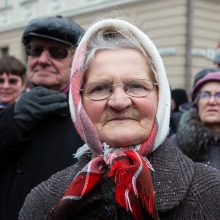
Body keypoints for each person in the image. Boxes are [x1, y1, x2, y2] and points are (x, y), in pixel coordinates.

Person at [19, 18, 220, 220]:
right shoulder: (42, 201)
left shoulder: (211, 193)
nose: (119, 101)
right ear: (79, 102)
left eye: (136, 86)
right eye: (100, 88)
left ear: (160, 97)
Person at [0, 15, 84, 220]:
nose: (43, 60)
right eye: (36, 50)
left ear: (76, 61)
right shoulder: (12, 111)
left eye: (57, 52)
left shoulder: (87, 117)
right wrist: (12, 122)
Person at [176, 68, 220, 169]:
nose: (212, 101)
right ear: (197, 103)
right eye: (205, 95)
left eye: (219, 95)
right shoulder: (174, 146)